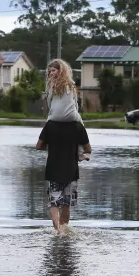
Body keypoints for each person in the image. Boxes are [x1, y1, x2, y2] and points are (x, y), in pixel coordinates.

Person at [36, 59, 92, 234]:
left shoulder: (63, 86)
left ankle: (57, 230)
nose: (51, 74)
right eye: (49, 71)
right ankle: (63, 230)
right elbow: (88, 146)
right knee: (66, 203)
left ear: (60, 71)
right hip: (71, 168)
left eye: (53, 71)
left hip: (53, 166)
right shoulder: (76, 126)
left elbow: (38, 146)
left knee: (54, 202)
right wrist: (83, 152)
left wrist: (50, 144)